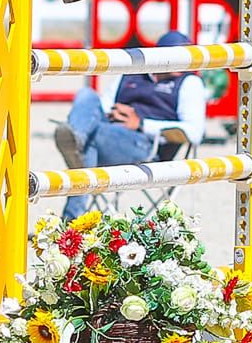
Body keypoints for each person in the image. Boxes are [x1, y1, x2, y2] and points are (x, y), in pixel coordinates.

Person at [53, 30, 208, 222]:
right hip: (108, 131)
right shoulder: (132, 73)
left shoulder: (188, 82)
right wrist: (113, 113)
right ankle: (77, 137)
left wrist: (140, 123)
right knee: (87, 95)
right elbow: (103, 105)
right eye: (179, 57)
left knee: (88, 140)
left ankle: (71, 219)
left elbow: (194, 132)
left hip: (145, 145)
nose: (185, 63)